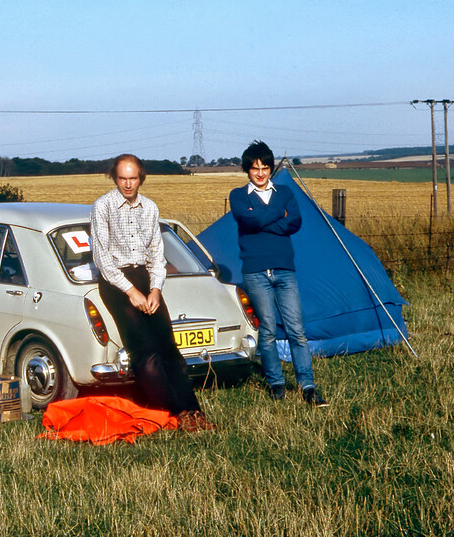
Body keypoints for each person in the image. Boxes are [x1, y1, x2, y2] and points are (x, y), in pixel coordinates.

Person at [90, 154, 216, 431]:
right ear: (115, 178)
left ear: (141, 178)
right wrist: (131, 292)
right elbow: (102, 258)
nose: (127, 184)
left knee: (169, 350)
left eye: (132, 178)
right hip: (115, 282)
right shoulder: (103, 207)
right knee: (146, 353)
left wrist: (156, 290)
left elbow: (157, 255)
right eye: (122, 178)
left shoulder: (150, 208)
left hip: (145, 278)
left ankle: (193, 411)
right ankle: (172, 415)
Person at [229, 141, 328, 407]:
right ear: (247, 170)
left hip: (285, 271)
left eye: (265, 167)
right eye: (254, 168)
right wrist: (275, 216)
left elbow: (294, 222)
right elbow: (248, 221)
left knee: (297, 331)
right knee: (269, 331)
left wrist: (260, 220)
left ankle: (307, 385)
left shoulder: (284, 191)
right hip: (255, 272)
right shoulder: (238, 196)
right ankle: (276, 384)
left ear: (271, 168)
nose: (260, 173)